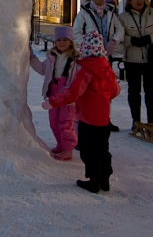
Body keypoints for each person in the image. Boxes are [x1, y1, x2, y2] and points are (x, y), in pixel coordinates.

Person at [43, 30, 120, 193]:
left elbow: (72, 93)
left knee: (88, 150)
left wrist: (52, 102)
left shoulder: (85, 71)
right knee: (102, 149)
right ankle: (105, 179)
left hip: (88, 119)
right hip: (104, 119)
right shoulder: (107, 70)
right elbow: (115, 91)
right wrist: (104, 98)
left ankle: (94, 181)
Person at [73, 0, 124, 131]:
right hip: (89, 57)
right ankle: (85, 118)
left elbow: (120, 29)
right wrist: (87, 47)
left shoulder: (110, 11)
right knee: (89, 88)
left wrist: (113, 41)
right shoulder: (85, 11)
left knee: (105, 88)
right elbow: (76, 31)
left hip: (105, 57)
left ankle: (105, 118)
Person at [118, 0, 153, 129]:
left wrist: (150, 39)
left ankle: (151, 121)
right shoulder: (123, 17)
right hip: (132, 59)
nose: (139, 2)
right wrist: (131, 41)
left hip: (150, 59)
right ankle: (136, 121)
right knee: (134, 91)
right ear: (130, 1)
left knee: (151, 91)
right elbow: (118, 36)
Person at [29, 26, 80, 161]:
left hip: (68, 95)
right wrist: (32, 57)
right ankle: (61, 144)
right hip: (53, 93)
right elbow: (41, 69)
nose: (61, 43)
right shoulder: (52, 57)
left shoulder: (76, 60)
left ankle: (68, 149)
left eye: (65, 40)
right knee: (54, 122)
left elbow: (79, 79)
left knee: (65, 123)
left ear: (71, 42)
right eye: (59, 40)